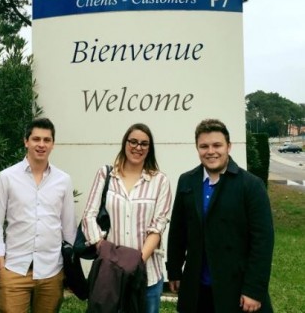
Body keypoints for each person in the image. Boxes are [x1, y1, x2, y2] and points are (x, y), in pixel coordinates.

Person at [167, 119, 274, 313]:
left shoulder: (251, 186)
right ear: (197, 148)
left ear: (228, 146)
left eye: (217, 145)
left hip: (237, 289)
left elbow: (263, 242)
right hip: (197, 288)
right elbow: (178, 231)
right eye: (204, 146)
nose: (211, 151)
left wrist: (254, 289)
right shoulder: (187, 181)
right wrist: (174, 270)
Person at [0, 117, 77, 313]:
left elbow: (69, 226)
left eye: (47, 140)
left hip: (51, 270)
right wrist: (0, 264)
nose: (41, 144)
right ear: (26, 141)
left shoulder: (63, 180)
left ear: (53, 144)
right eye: (36, 139)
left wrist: (68, 266)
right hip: (14, 268)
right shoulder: (7, 177)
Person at [81, 123, 172, 313]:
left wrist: (135, 263)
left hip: (147, 275)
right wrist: (105, 252)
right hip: (110, 274)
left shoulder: (160, 181)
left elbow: (158, 227)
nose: (138, 147)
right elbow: (89, 215)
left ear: (150, 148)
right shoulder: (106, 174)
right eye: (133, 142)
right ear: (125, 143)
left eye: (144, 144)